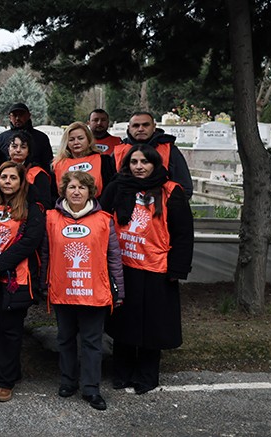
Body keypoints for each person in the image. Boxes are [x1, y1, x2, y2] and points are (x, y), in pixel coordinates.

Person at [100, 144, 193, 395]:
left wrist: (177, 269)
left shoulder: (170, 191)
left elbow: (183, 233)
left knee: (152, 326)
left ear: (155, 164)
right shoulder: (117, 187)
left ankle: (147, 375)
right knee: (124, 323)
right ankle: (122, 373)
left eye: (144, 162)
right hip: (123, 267)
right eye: (134, 162)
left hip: (156, 269)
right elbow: (100, 220)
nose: (139, 167)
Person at [43, 171, 125, 411]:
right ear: (64, 191)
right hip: (62, 289)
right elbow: (46, 254)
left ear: (91, 191)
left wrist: (119, 290)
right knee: (65, 338)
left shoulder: (104, 220)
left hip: (94, 291)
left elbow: (114, 258)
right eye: (72, 187)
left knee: (92, 341)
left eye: (82, 187)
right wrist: (43, 284)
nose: (76, 191)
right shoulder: (51, 218)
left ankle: (91, 388)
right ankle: (68, 381)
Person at [0, 161, 45, 403]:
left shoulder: (32, 208)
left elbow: (30, 241)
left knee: (11, 330)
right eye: (4, 177)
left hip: (16, 278)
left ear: (21, 181)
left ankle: (4, 381)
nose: (7, 181)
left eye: (13, 177)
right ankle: (11, 370)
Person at [113, 112, 194, 199]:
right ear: (129, 128)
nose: (140, 129)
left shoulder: (169, 150)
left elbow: (185, 188)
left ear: (154, 127)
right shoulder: (119, 151)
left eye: (145, 125)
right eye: (136, 126)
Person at [50, 121, 116, 199]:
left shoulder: (104, 161)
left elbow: (111, 190)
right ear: (66, 142)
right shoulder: (57, 164)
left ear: (89, 139)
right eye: (71, 139)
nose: (76, 142)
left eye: (80, 138)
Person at [7, 131, 52, 209]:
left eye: (23, 147)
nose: (18, 150)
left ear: (28, 151)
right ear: (8, 149)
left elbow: (45, 204)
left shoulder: (38, 173)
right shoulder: (0, 170)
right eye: (14, 146)